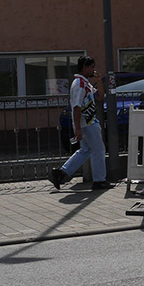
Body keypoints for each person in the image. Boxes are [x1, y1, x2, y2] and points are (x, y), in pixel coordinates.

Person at [49, 56, 112, 191]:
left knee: (86, 150)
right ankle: (99, 180)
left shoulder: (86, 83)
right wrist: (77, 128)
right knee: (98, 150)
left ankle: (61, 173)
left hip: (87, 122)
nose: (93, 70)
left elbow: (100, 97)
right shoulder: (79, 84)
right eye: (91, 67)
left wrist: (99, 81)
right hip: (87, 123)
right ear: (85, 67)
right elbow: (76, 107)